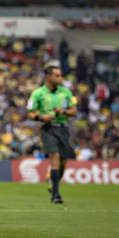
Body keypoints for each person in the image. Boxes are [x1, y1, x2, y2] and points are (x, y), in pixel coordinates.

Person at [27, 66, 77, 204]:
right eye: (57, 75)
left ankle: (52, 182)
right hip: (48, 129)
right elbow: (30, 112)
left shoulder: (65, 92)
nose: (60, 78)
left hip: (63, 128)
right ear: (48, 76)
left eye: (60, 75)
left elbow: (74, 111)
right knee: (54, 157)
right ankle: (56, 194)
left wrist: (64, 111)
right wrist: (41, 118)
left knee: (63, 162)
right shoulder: (38, 93)